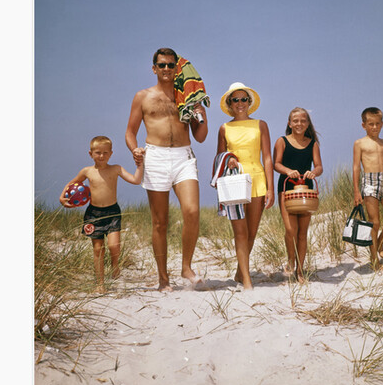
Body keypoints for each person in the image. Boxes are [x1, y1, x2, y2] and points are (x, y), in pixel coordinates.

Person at [125, 48, 209, 291]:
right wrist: (134, 150)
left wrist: (200, 114)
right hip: (156, 157)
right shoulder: (143, 96)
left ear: (177, 68)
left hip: (183, 157)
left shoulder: (187, 97)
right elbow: (131, 132)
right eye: (161, 65)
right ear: (154, 68)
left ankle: (186, 267)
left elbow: (201, 137)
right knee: (160, 223)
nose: (166, 69)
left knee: (192, 212)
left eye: (171, 65)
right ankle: (163, 278)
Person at [59, 135, 145, 290]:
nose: (102, 156)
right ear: (90, 154)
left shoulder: (116, 169)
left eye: (105, 153)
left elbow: (136, 180)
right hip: (93, 214)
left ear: (111, 153)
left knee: (114, 246)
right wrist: (62, 197)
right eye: (98, 152)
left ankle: (115, 266)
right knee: (98, 249)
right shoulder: (87, 171)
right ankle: (100, 283)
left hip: (112, 212)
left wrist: (140, 166)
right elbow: (72, 183)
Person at [216, 83, 274, 289]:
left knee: (252, 232)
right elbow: (219, 157)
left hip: (258, 180)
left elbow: (267, 158)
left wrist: (270, 188)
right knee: (240, 233)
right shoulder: (224, 128)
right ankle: (247, 280)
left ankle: (240, 272)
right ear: (229, 104)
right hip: (234, 182)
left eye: (243, 99)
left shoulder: (261, 125)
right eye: (235, 100)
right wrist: (228, 159)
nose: (240, 103)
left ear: (249, 102)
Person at [273, 107, 323, 282]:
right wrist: (288, 171)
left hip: (306, 188)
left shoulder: (313, 144)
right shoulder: (282, 141)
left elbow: (319, 166)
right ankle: (291, 260)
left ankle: (300, 271)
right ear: (289, 123)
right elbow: (276, 164)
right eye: (295, 121)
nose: (299, 124)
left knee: (302, 233)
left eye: (303, 120)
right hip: (286, 187)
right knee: (290, 229)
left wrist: (313, 173)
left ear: (307, 123)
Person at [352, 107, 383, 267]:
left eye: (377, 124)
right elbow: (355, 167)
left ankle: (380, 242)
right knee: (375, 222)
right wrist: (356, 191)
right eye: (371, 124)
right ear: (364, 125)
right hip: (369, 182)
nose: (374, 127)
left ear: (382, 124)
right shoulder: (359, 143)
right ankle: (374, 260)